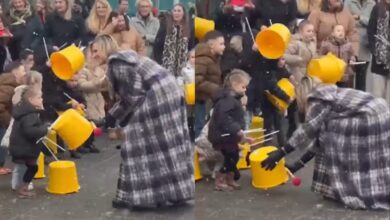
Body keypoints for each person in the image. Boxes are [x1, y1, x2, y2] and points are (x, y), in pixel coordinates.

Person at [90, 35, 193, 208]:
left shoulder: (118, 64)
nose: (93, 55)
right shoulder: (125, 59)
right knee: (166, 146)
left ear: (105, 48)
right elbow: (134, 94)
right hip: (169, 93)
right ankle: (174, 192)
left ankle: (145, 196)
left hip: (158, 97)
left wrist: (115, 118)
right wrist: (114, 116)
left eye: (96, 50)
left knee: (137, 145)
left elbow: (134, 96)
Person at [261, 76, 390, 210]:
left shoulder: (316, 99)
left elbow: (307, 131)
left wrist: (281, 152)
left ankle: (352, 191)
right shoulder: (330, 93)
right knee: (369, 157)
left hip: (368, 117)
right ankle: (368, 189)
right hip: (382, 112)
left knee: (335, 140)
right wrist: (296, 166)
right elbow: (319, 138)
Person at [208, 69, 253, 191]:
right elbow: (224, 119)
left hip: (228, 135)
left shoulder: (233, 99)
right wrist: (237, 130)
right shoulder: (227, 100)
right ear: (234, 85)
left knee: (233, 157)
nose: (245, 89)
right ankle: (220, 179)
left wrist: (241, 136)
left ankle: (229, 178)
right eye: (243, 87)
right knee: (228, 158)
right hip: (222, 135)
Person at [9, 86, 49, 198]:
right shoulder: (30, 114)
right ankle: (21, 189)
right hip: (24, 148)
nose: (42, 99)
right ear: (31, 100)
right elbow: (30, 131)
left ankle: (22, 187)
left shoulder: (25, 111)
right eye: (39, 97)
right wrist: (44, 129)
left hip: (21, 146)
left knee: (30, 167)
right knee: (28, 167)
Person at [194, 31, 225, 138]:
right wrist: (215, 89)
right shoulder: (203, 58)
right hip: (200, 101)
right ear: (211, 45)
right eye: (221, 44)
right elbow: (196, 80)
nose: (224, 47)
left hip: (207, 101)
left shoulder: (214, 59)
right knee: (200, 129)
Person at [154, 3, 194, 77]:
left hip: (183, 68)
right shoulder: (165, 26)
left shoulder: (189, 28)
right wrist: (160, 62)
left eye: (179, 11)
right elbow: (157, 46)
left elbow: (191, 47)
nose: (176, 13)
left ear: (183, 13)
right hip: (166, 67)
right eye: (174, 11)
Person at [367, 0, 390, 102]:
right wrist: (375, 50)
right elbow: (371, 30)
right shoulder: (377, 8)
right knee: (378, 97)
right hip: (379, 59)